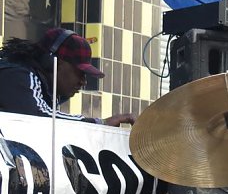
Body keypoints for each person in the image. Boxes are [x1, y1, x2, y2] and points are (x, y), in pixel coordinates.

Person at [0, 28, 135, 126]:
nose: (83, 81)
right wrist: (100, 123)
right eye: (80, 72)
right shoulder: (18, 75)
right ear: (54, 63)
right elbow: (39, 116)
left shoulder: (42, 87)